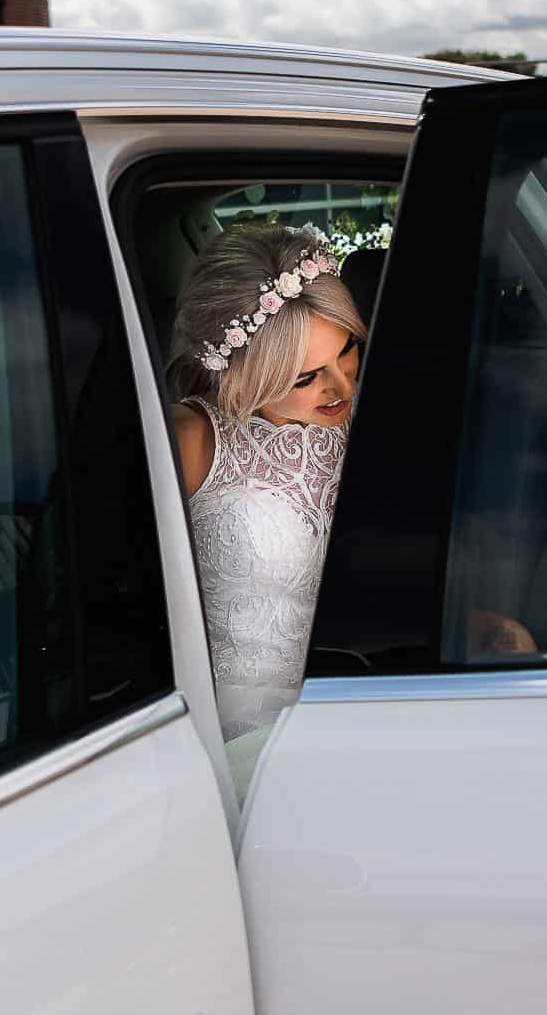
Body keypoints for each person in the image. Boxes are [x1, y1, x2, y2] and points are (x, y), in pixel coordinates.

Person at [167, 224, 365, 743]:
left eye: (346, 350)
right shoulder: (192, 442)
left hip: (374, 712)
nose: (342, 385)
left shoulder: (387, 414)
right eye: (305, 378)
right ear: (240, 374)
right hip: (244, 745)